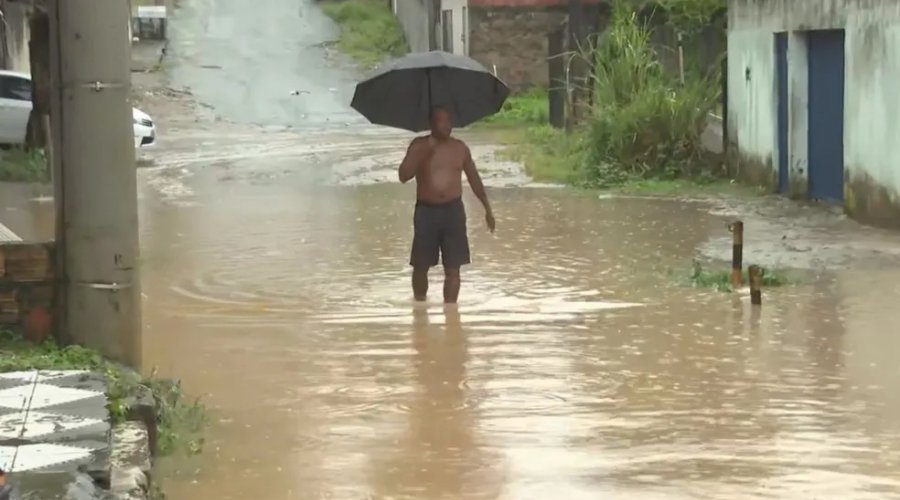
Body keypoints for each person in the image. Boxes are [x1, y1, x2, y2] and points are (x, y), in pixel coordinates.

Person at [398, 107, 495, 304]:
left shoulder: (459, 148)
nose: (446, 126)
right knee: (421, 265)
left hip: (453, 212)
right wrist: (422, 152)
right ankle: (420, 307)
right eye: (441, 121)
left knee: (453, 268)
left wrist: (487, 208)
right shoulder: (419, 145)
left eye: (448, 121)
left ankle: (451, 313)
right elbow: (403, 176)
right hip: (426, 212)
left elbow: (474, 179)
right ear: (431, 124)